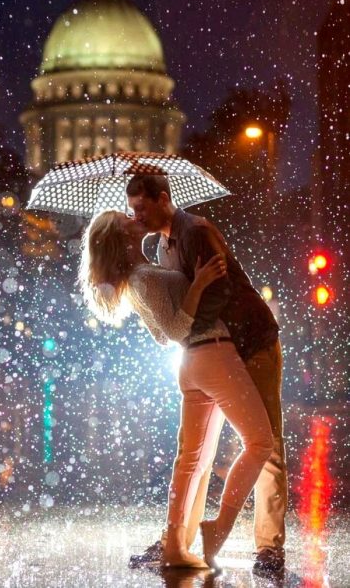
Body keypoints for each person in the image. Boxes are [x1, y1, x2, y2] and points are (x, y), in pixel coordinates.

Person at [79, 210, 274, 569]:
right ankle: (218, 527)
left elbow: (159, 333)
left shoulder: (141, 274)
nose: (132, 214)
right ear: (121, 237)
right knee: (261, 442)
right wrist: (198, 284)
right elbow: (172, 330)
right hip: (212, 353)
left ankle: (174, 545)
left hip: (194, 364)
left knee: (192, 461)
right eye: (125, 218)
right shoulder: (143, 278)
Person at [125, 174, 287, 576]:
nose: (137, 215)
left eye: (142, 207)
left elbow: (220, 291)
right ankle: (177, 539)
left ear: (164, 199)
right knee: (196, 452)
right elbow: (181, 300)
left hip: (251, 342)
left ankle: (269, 547)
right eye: (132, 210)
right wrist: (187, 333)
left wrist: (188, 330)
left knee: (266, 442)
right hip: (214, 351)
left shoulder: (196, 230)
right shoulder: (161, 247)